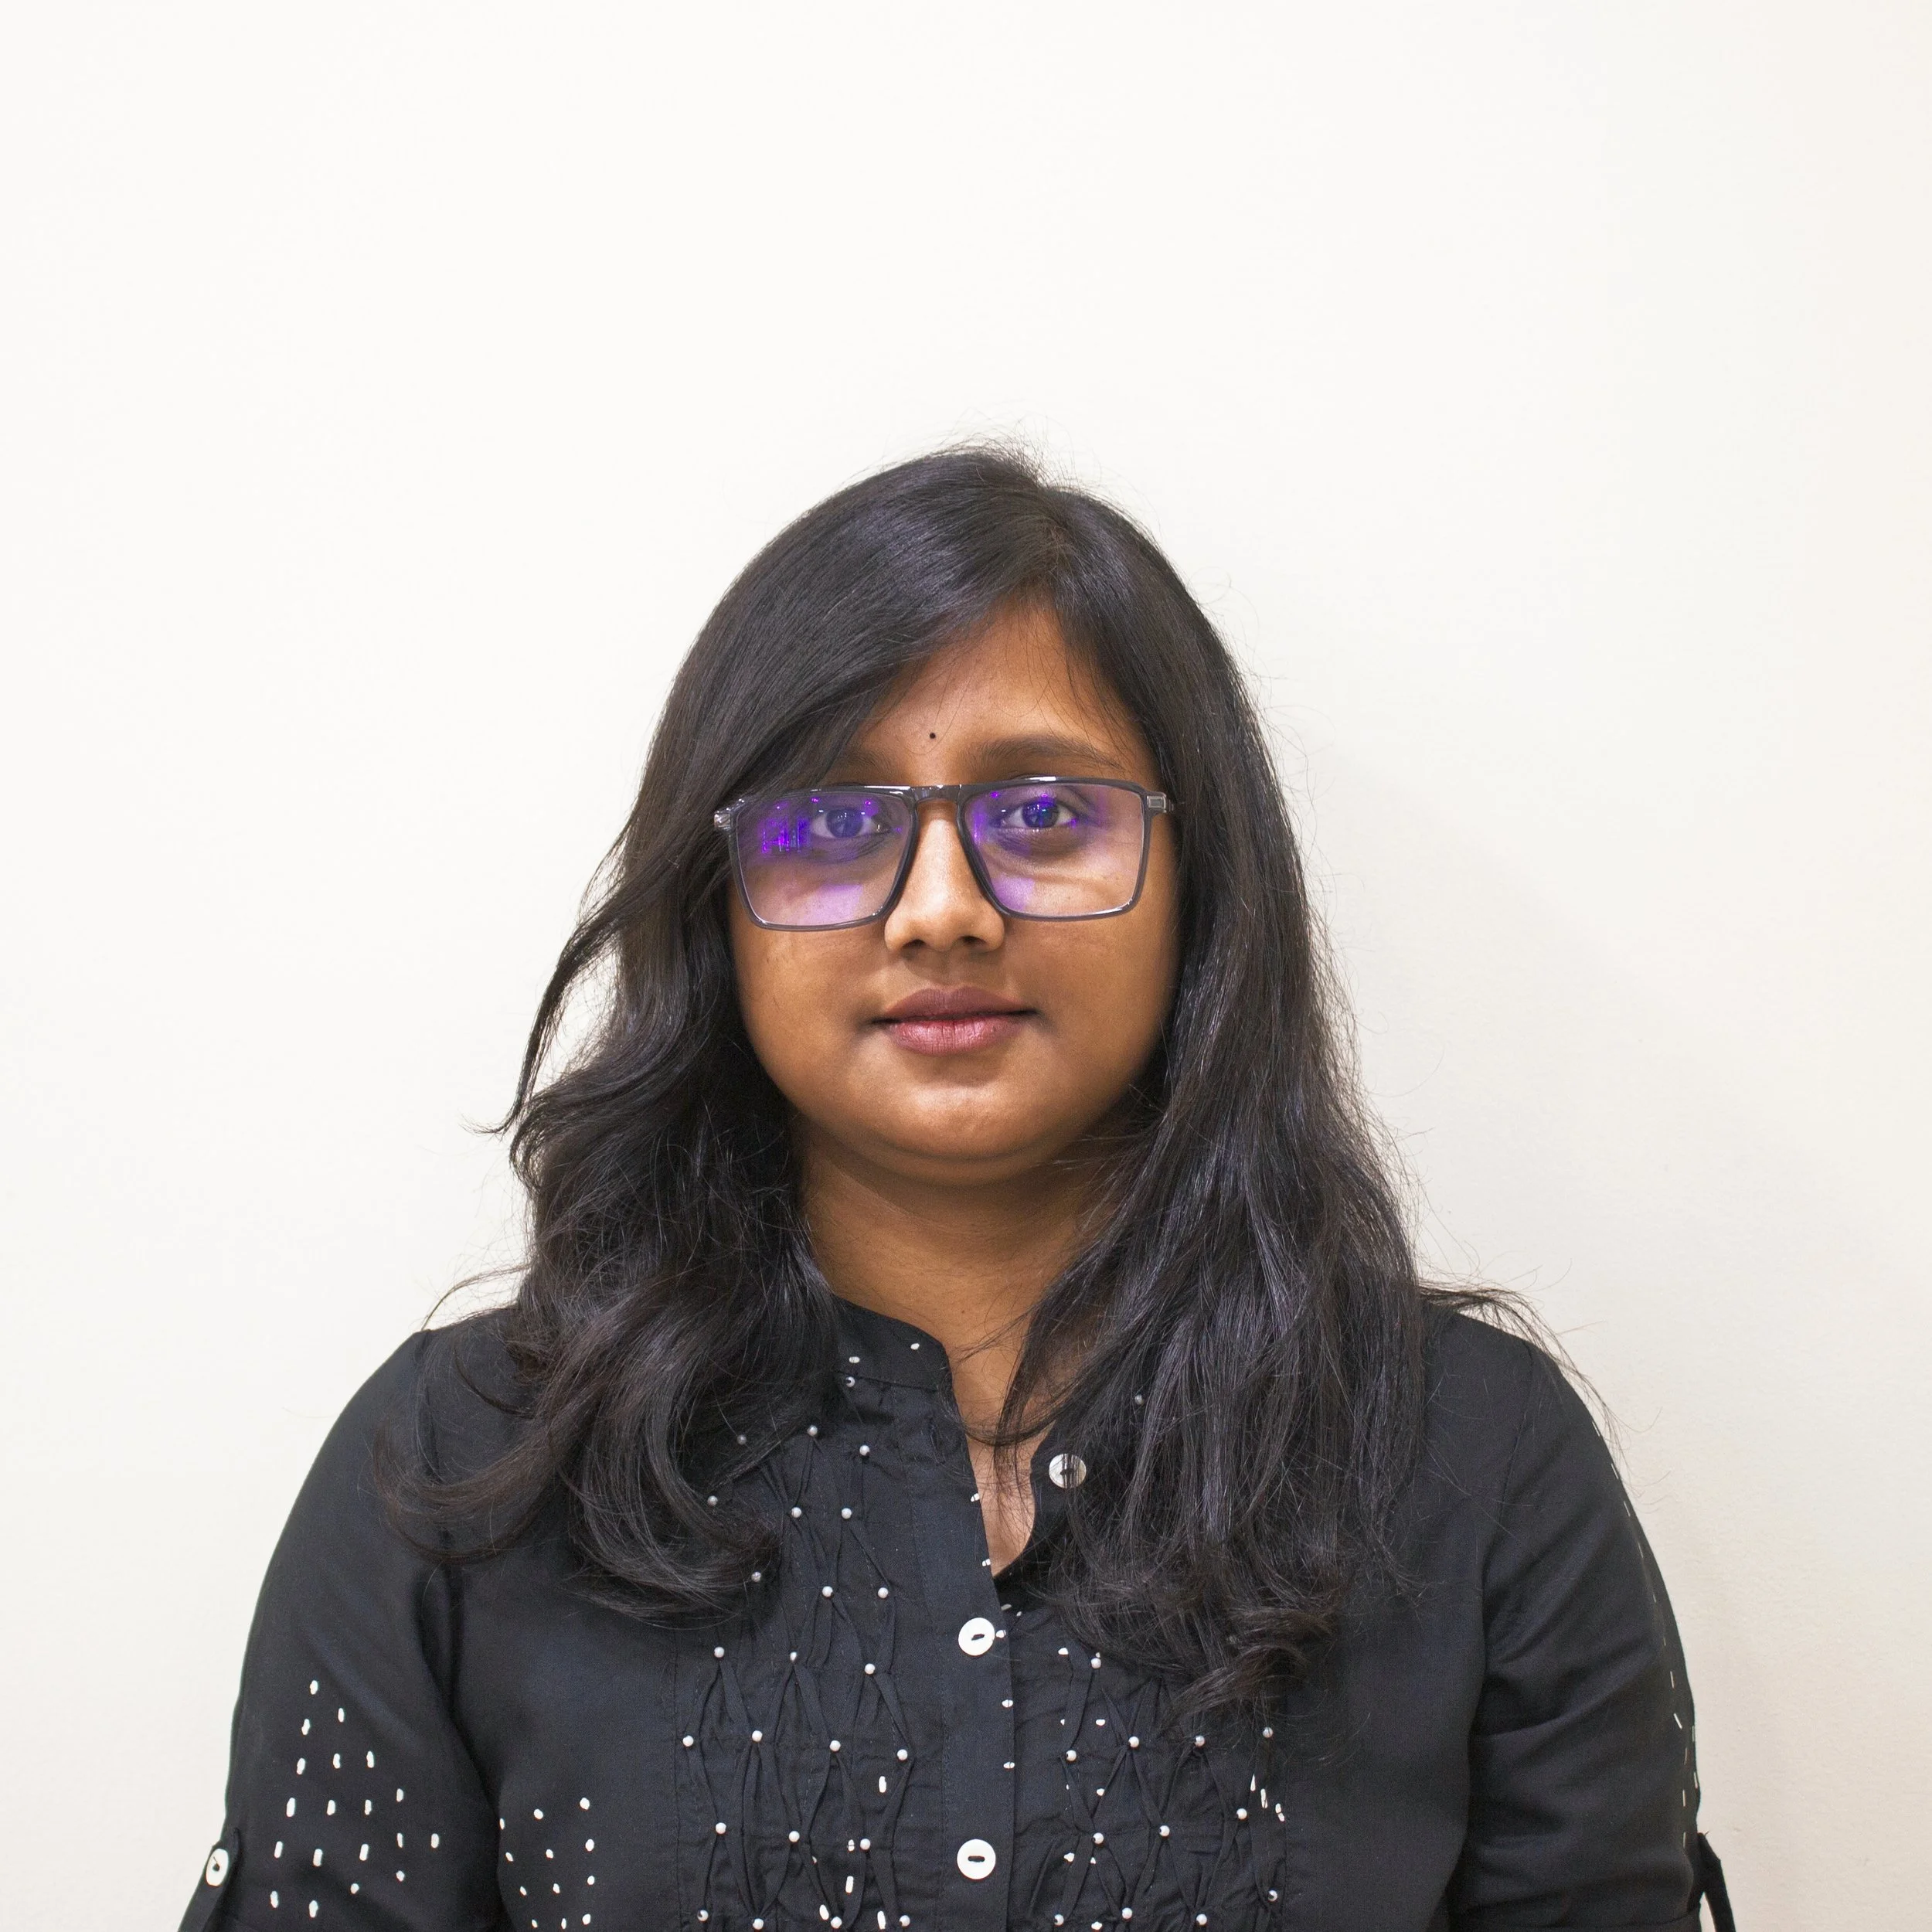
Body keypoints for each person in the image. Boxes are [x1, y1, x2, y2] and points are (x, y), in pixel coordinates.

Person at [180, 449, 1731, 1932]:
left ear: (1202, 882)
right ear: (716, 904)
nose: (941, 911)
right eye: (833, 823)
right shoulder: (463, 1472)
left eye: (1044, 815)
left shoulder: (1469, 1464)